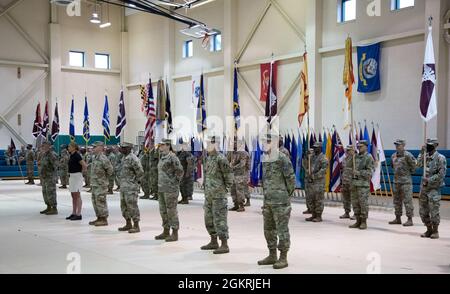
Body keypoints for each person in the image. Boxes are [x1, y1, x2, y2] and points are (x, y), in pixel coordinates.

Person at [258, 134, 295, 270]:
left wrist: (284, 196)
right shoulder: (265, 158)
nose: (264, 144)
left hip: (280, 202)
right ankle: (272, 254)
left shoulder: (282, 158)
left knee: (282, 230)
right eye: (263, 141)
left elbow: (291, 179)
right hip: (268, 201)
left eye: (266, 141)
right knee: (268, 229)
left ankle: (283, 257)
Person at [201, 136, 233, 255]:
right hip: (209, 195)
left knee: (220, 220)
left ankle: (224, 244)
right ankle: (213, 241)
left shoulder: (221, 159)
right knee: (208, 219)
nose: (207, 146)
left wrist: (224, 190)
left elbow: (229, 176)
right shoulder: (208, 158)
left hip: (219, 195)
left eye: (210, 143)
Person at [417, 139, 446, 239]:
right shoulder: (425, 157)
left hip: (434, 189)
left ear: (436, 145)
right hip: (424, 188)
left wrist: (429, 179)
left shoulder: (440, 158)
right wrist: (421, 152)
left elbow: (441, 175)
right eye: (427, 145)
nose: (428, 146)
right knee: (423, 211)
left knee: (434, 211)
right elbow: (418, 165)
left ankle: (435, 231)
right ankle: (428, 229)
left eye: (430, 145)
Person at [155, 139, 184, 242]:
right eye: (160, 145)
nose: (160, 147)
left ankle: (174, 232)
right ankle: (166, 231)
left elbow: (180, 171)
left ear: (168, 146)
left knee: (171, 211)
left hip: (170, 189)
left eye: (162, 145)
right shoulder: (162, 157)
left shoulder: (173, 157)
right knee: (163, 210)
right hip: (162, 188)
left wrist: (174, 183)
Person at [389, 139, 417, 226]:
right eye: (396, 145)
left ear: (403, 145)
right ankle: (398, 218)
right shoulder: (393, 156)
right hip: (396, 182)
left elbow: (413, 168)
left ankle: (410, 219)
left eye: (399, 145)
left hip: (406, 182)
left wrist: (405, 174)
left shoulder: (408, 155)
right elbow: (392, 167)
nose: (397, 146)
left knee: (407, 201)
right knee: (396, 201)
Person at [118, 142, 144, 234]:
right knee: (124, 206)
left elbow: (140, 172)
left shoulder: (133, 158)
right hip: (124, 186)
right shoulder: (124, 158)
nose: (122, 149)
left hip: (131, 187)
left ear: (129, 148)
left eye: (124, 148)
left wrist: (134, 183)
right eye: (122, 147)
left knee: (132, 206)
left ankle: (136, 225)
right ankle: (128, 223)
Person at [349, 140, 374, 230]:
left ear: (366, 147)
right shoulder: (355, 156)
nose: (359, 148)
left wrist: (358, 173)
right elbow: (349, 166)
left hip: (363, 185)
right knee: (355, 204)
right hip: (354, 184)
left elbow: (370, 172)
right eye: (358, 146)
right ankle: (358, 221)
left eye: (361, 146)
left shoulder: (368, 157)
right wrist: (350, 155)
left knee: (363, 204)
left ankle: (363, 222)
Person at [89, 142, 114, 227]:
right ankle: (99, 217)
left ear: (100, 148)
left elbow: (110, 171)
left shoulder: (103, 158)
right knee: (95, 201)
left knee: (100, 201)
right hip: (95, 184)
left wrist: (103, 179)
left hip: (101, 184)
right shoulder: (95, 158)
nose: (93, 148)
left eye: (95, 147)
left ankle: (104, 219)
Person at [303, 142, 328, 222]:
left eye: (316, 147)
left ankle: (318, 216)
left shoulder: (323, 158)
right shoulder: (312, 157)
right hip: (311, 182)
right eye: (314, 147)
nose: (314, 149)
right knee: (311, 198)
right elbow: (305, 166)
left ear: (320, 148)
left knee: (318, 199)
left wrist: (314, 176)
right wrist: (306, 157)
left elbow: (323, 170)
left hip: (318, 182)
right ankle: (313, 214)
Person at [229, 138, 251, 212]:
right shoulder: (232, 153)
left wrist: (232, 167)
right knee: (233, 190)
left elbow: (242, 164)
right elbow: (228, 161)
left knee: (240, 191)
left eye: (235, 143)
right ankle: (235, 205)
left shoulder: (243, 153)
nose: (233, 145)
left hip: (241, 175)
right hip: (233, 174)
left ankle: (241, 205)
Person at [67, 142, 87, 221]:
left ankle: (79, 214)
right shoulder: (71, 155)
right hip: (72, 176)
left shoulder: (77, 155)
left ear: (74, 147)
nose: (68, 148)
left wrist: (81, 173)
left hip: (77, 176)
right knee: (73, 195)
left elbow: (84, 165)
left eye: (69, 146)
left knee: (77, 195)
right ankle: (73, 212)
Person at [39, 141, 58, 215]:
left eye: (44, 145)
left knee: (51, 192)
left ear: (49, 146)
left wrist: (51, 173)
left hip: (50, 177)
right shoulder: (44, 154)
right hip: (44, 177)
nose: (43, 147)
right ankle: (48, 206)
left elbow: (55, 165)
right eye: (42, 145)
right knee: (45, 192)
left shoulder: (52, 155)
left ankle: (54, 208)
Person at [177, 140, 195, 205]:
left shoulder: (187, 154)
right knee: (181, 186)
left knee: (184, 186)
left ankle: (185, 199)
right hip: (181, 173)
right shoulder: (180, 153)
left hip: (185, 172)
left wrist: (187, 173)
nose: (182, 146)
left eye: (184, 145)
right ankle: (183, 198)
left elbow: (190, 164)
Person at [340, 145, 355, 219]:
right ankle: (346, 212)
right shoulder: (344, 159)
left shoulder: (356, 159)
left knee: (354, 199)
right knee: (345, 198)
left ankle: (356, 213)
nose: (347, 152)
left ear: (353, 150)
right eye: (347, 150)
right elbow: (343, 170)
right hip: (345, 181)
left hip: (352, 182)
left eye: (349, 150)